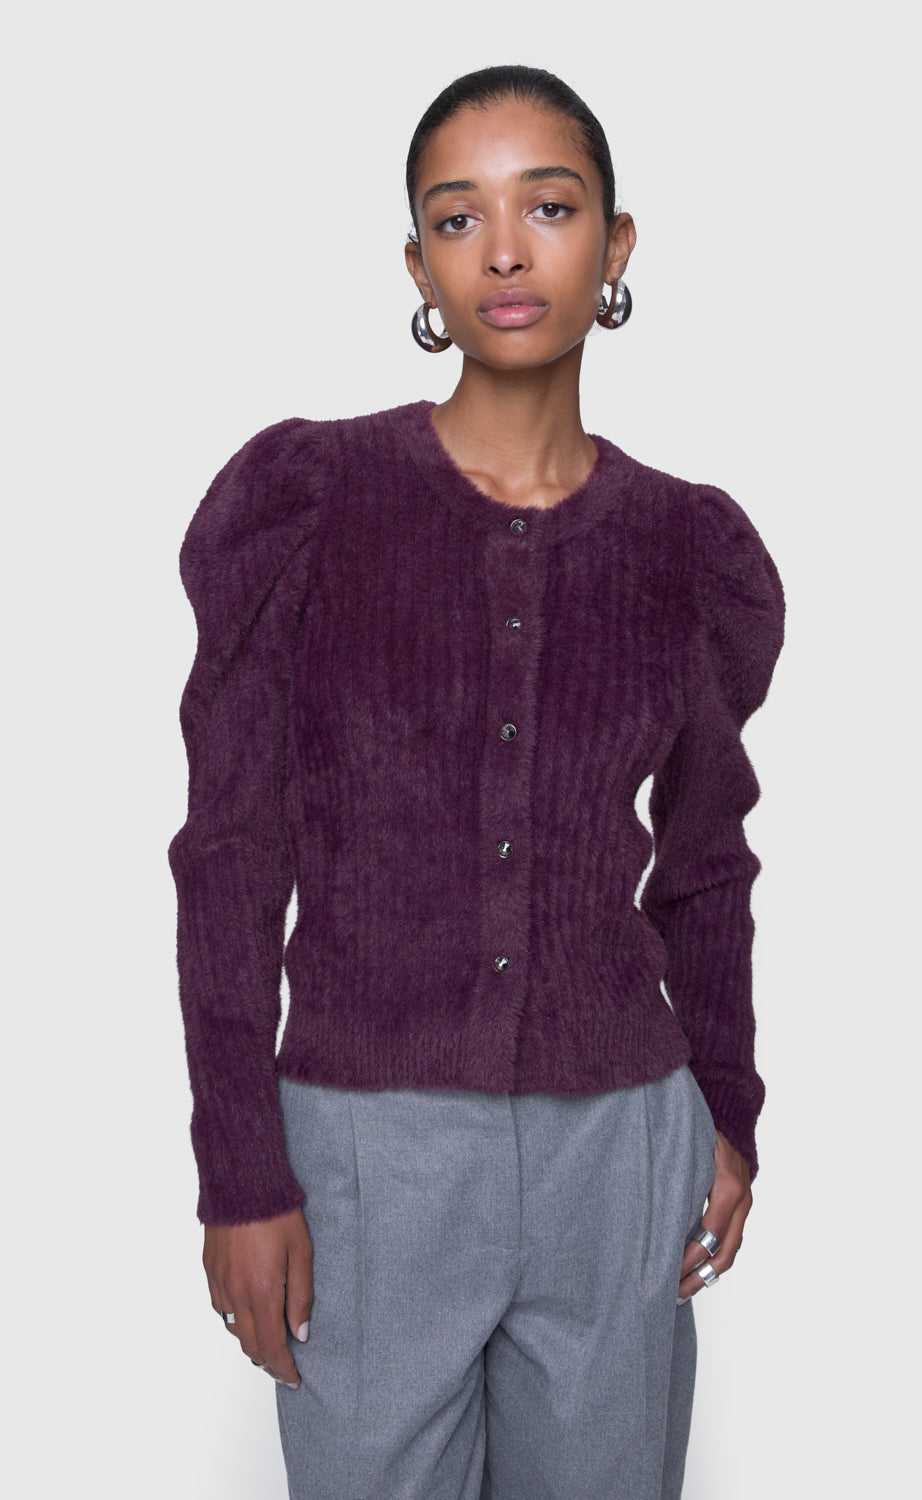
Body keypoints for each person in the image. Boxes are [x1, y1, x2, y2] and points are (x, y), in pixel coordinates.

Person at [168, 63, 785, 1500]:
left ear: (614, 245)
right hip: (367, 1153)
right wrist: (241, 1171)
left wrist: (727, 1107)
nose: (505, 252)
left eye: (547, 208)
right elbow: (231, 858)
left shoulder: (685, 549)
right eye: (459, 219)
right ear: (420, 268)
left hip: (621, 1145)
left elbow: (707, 861)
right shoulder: (310, 506)